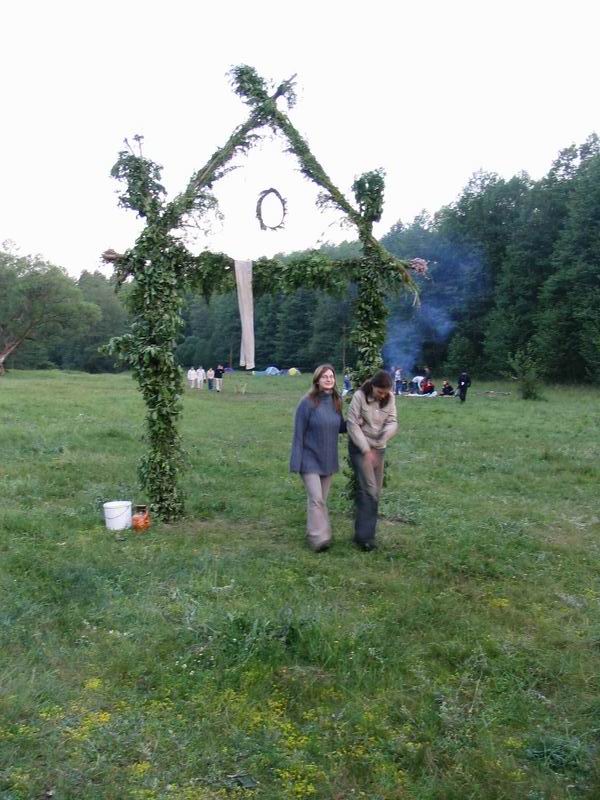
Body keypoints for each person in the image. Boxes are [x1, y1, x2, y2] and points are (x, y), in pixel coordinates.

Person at [290, 364, 347, 552]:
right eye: (325, 377)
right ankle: (319, 539)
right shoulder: (307, 403)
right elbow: (298, 434)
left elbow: (340, 426)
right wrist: (296, 462)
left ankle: (315, 532)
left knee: (320, 500)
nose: (329, 379)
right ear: (317, 380)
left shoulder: (336, 402)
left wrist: (358, 422)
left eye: (331, 376)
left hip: (328, 459)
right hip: (309, 459)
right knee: (316, 499)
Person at [346, 370, 398, 551]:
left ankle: (364, 534)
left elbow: (393, 421)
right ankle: (365, 538)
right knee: (369, 490)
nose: (382, 395)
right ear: (373, 386)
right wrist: (366, 449)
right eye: (379, 392)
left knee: (375, 492)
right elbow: (352, 424)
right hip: (361, 449)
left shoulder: (390, 398)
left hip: (379, 449)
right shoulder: (359, 396)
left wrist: (384, 436)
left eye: (385, 392)